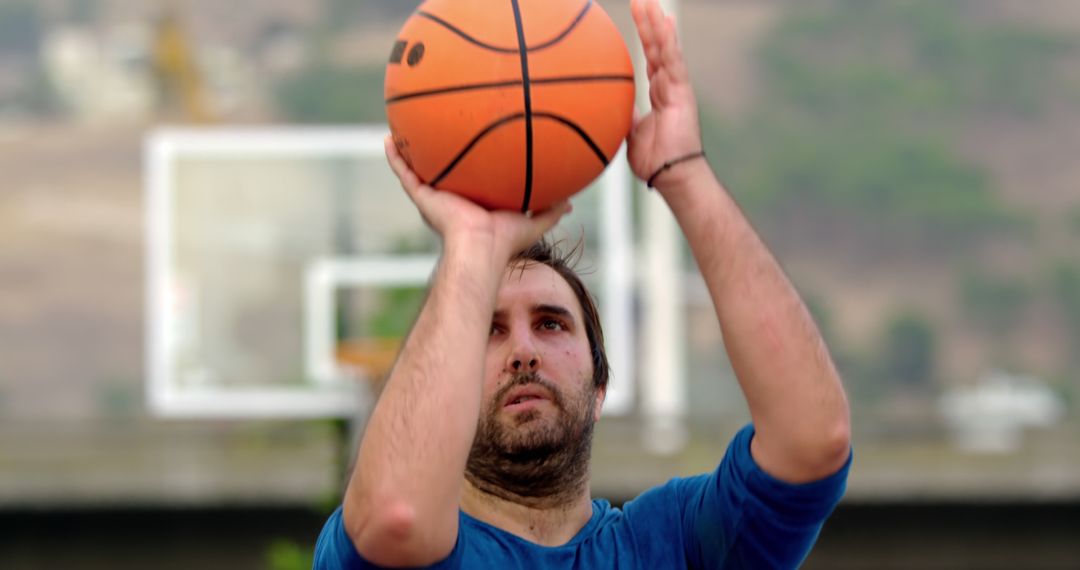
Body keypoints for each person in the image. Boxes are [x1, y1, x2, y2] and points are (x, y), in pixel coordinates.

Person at [315, 0, 852, 567]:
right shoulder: (407, 544)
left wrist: (686, 174)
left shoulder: (674, 542)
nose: (523, 352)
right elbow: (395, 520)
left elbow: (813, 440)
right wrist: (471, 244)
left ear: (599, 389)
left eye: (550, 323)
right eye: (488, 332)